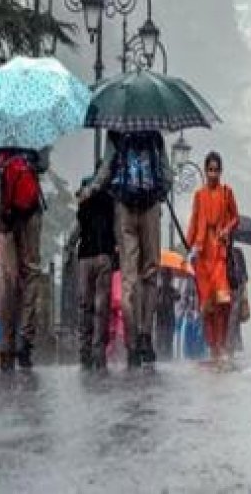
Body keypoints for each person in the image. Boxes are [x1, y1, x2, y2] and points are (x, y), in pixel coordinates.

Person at [81, 130, 172, 368]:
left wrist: (89, 190)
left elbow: (105, 172)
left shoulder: (115, 133)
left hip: (124, 209)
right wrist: (162, 192)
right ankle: (145, 336)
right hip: (151, 207)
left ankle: (132, 344)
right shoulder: (154, 133)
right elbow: (166, 173)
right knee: (150, 275)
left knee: (129, 280)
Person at [0, 134, 49, 371]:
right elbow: (43, 165)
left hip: (2, 206)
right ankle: (26, 340)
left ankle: (5, 344)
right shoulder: (36, 126)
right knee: (31, 272)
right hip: (30, 204)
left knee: (5, 278)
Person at [186, 152, 239, 363]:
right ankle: (213, 346)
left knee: (223, 300)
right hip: (202, 254)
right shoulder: (199, 195)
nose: (213, 174)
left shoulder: (227, 193)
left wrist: (227, 229)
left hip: (219, 253)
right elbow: (193, 221)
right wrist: (187, 248)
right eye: (209, 170)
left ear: (221, 171)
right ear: (205, 170)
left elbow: (235, 217)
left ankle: (221, 343)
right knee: (207, 304)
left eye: (216, 170)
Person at [65, 175, 115, 371]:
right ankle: (98, 351)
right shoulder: (110, 200)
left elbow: (77, 229)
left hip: (86, 257)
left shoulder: (85, 201)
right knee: (101, 307)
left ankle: (85, 352)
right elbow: (116, 229)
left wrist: (69, 250)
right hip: (103, 256)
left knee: (85, 305)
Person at [227, 245, 249, 354]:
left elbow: (244, 278)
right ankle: (227, 350)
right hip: (225, 293)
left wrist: (245, 298)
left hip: (236, 294)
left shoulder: (238, 252)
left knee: (234, 324)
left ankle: (233, 350)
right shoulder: (219, 251)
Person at [156, 268, 180, 361]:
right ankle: (160, 357)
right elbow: (155, 303)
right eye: (163, 277)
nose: (165, 279)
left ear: (170, 279)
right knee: (160, 339)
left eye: (167, 277)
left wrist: (173, 295)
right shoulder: (159, 290)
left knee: (168, 340)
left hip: (169, 318)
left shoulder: (172, 290)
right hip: (161, 318)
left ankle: (168, 358)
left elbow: (178, 296)